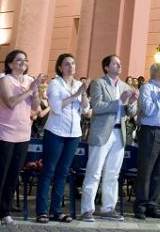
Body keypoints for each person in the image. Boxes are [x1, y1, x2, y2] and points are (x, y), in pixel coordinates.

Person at [0, 49, 44, 226]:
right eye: (18, 60)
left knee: (13, 176)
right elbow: (10, 102)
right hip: (3, 133)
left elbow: (35, 108)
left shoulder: (28, 80)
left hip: (23, 134)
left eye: (25, 60)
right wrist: (30, 90)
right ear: (10, 63)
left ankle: (6, 211)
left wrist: (36, 92)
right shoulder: (4, 80)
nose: (23, 63)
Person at [79, 55, 137, 222]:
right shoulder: (99, 83)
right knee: (94, 171)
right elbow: (96, 106)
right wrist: (120, 101)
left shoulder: (125, 85)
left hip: (119, 133)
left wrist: (132, 102)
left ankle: (108, 208)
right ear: (106, 67)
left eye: (120, 63)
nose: (119, 65)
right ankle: (87, 209)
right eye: (115, 63)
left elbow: (131, 112)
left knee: (113, 173)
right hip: (102, 132)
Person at [35, 54, 90, 223]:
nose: (71, 66)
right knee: (49, 170)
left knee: (63, 171)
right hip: (56, 131)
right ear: (60, 67)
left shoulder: (79, 84)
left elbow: (86, 110)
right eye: (67, 64)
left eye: (73, 63)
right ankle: (42, 210)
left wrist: (84, 94)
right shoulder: (55, 83)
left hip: (73, 132)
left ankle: (56, 210)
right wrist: (76, 95)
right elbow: (56, 107)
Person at [133, 62, 160, 220]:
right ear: (154, 72)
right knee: (147, 170)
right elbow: (149, 110)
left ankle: (152, 204)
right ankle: (141, 205)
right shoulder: (147, 88)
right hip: (151, 131)